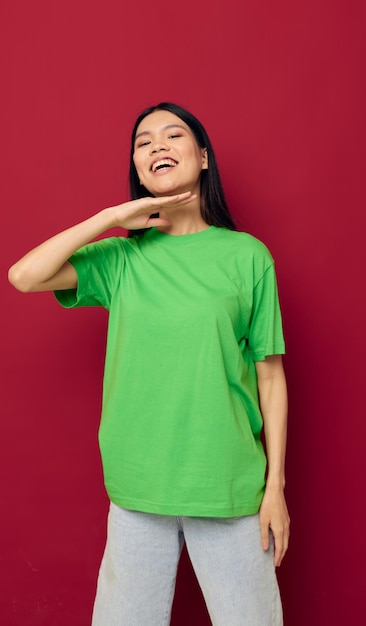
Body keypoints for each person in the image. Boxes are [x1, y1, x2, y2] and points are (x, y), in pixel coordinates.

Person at [8, 102, 290, 625]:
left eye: (172, 135)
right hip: (137, 484)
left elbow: (270, 376)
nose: (156, 145)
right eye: (143, 142)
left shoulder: (248, 256)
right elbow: (24, 276)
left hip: (227, 482)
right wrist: (113, 218)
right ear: (138, 168)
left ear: (203, 157)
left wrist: (275, 489)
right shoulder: (121, 259)